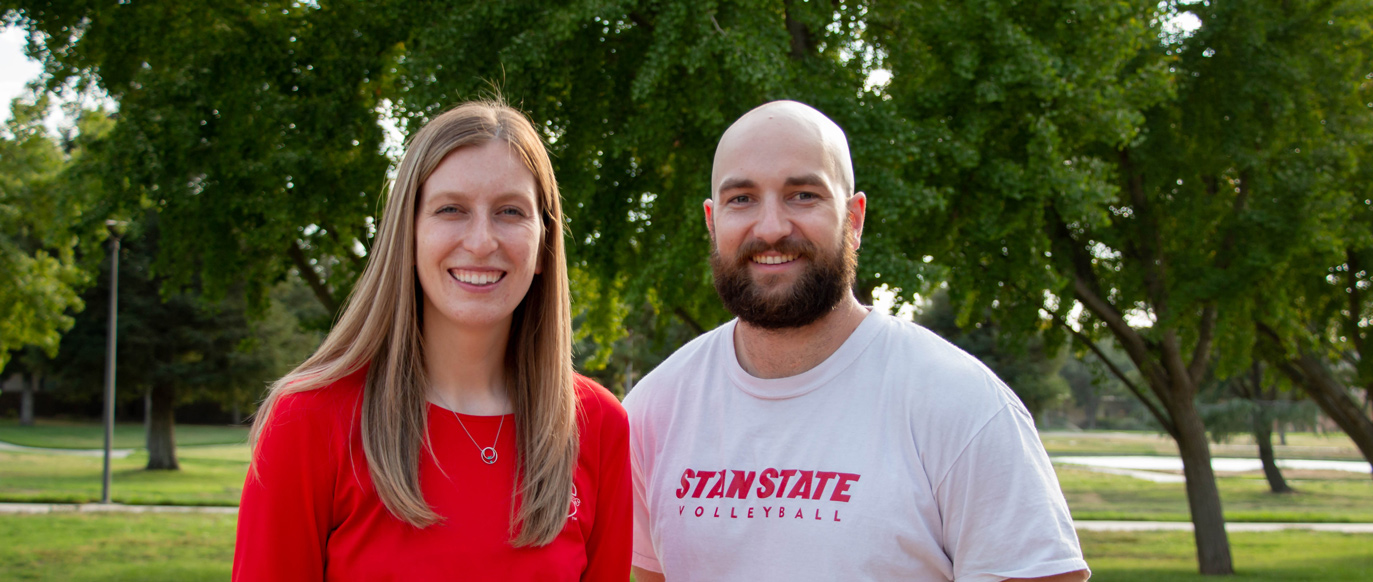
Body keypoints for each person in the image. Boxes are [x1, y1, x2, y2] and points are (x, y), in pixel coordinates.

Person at [624, 101, 1090, 582]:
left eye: (803, 195)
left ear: (855, 219)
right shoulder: (651, 412)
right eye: (741, 199)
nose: (771, 228)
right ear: (712, 220)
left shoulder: (961, 404)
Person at [232, 101, 631, 581]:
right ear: (409, 234)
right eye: (451, 210)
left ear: (543, 244)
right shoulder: (310, 420)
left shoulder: (598, 426)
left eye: (510, 211)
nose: (482, 241)